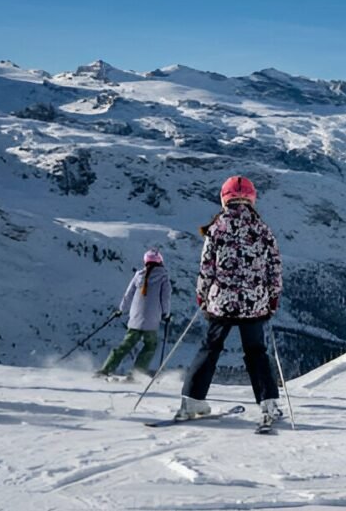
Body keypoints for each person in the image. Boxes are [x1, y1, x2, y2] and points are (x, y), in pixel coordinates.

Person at [176, 175, 284, 430]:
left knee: (210, 348)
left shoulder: (217, 228)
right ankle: (268, 405)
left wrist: (202, 294)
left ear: (224, 199)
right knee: (256, 352)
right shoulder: (262, 228)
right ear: (251, 199)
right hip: (253, 302)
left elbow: (207, 266)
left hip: (220, 301)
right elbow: (274, 266)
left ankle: (192, 401)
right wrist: (273, 295)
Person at [96, 249, 172, 379]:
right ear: (160, 262)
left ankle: (105, 369)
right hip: (152, 321)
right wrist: (166, 314)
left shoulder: (138, 275)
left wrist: (121, 310)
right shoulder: (164, 277)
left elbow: (128, 295)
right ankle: (135, 374)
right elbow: (165, 298)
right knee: (150, 346)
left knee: (125, 345)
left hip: (135, 318)